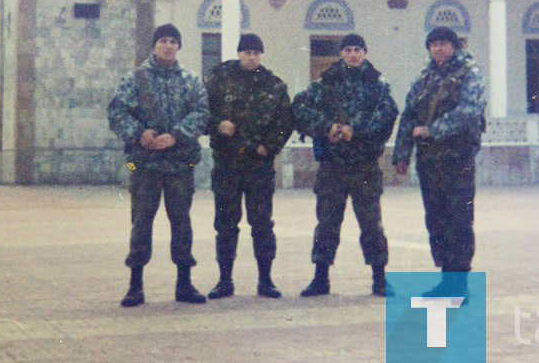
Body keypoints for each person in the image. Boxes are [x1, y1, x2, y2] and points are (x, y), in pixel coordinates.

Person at [107, 23, 209, 307]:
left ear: (179, 46)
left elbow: (201, 113)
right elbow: (117, 111)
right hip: (145, 164)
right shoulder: (135, 79)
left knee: (182, 223)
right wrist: (139, 133)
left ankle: (184, 284)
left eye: (173, 41)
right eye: (163, 40)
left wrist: (176, 135)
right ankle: (135, 285)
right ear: (155, 44)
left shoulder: (191, 80)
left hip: (179, 164)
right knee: (141, 223)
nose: (168, 45)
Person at [292, 33, 398, 297]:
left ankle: (379, 278)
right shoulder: (325, 82)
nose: (353, 54)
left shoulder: (378, 84)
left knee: (371, 224)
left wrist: (356, 131)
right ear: (341, 53)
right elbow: (298, 108)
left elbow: (387, 116)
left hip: (364, 166)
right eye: (348, 49)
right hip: (333, 166)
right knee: (327, 223)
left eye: (358, 50)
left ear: (365, 53)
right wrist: (326, 127)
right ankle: (320, 278)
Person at [392, 26, 486, 298]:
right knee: (436, 220)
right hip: (429, 161)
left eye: (443, 44)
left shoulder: (470, 72)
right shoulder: (425, 77)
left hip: (458, 159)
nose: (438, 49)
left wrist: (432, 130)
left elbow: (469, 112)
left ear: (454, 46)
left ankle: (459, 285)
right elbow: (409, 114)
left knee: (459, 220)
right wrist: (402, 153)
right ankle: (447, 280)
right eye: (433, 45)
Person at [204, 33, 293, 300]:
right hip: (227, 164)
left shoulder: (274, 85)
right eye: (247, 52)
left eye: (256, 52)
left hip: (258, 166)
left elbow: (286, 120)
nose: (251, 56)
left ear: (261, 55)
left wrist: (271, 145)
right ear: (239, 53)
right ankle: (224, 281)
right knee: (225, 225)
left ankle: (265, 281)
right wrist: (216, 125)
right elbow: (199, 110)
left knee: (262, 224)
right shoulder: (218, 78)